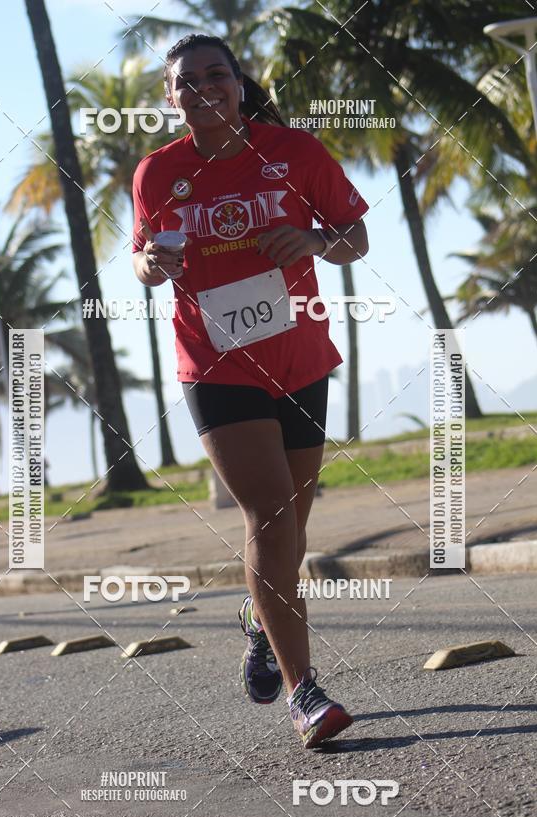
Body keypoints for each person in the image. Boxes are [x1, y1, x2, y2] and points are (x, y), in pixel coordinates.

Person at [132, 34, 369, 749]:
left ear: (239, 84)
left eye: (217, 74)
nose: (204, 87)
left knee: (291, 525)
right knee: (269, 516)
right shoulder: (157, 172)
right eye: (187, 80)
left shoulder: (294, 152)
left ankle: (261, 621)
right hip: (216, 364)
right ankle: (306, 695)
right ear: (170, 97)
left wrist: (314, 241)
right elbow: (143, 259)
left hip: (300, 357)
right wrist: (151, 263)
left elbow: (355, 236)